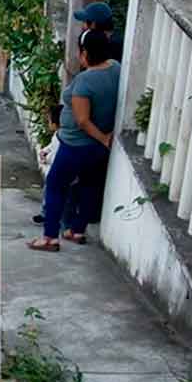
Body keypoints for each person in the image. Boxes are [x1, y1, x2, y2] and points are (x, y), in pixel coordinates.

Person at [28, 30, 120, 251]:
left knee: (55, 187)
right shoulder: (116, 69)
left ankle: (50, 238)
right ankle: (76, 230)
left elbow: (82, 120)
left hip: (76, 145)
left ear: (85, 52)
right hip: (95, 149)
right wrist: (103, 140)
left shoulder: (84, 81)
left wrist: (103, 138)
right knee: (89, 186)